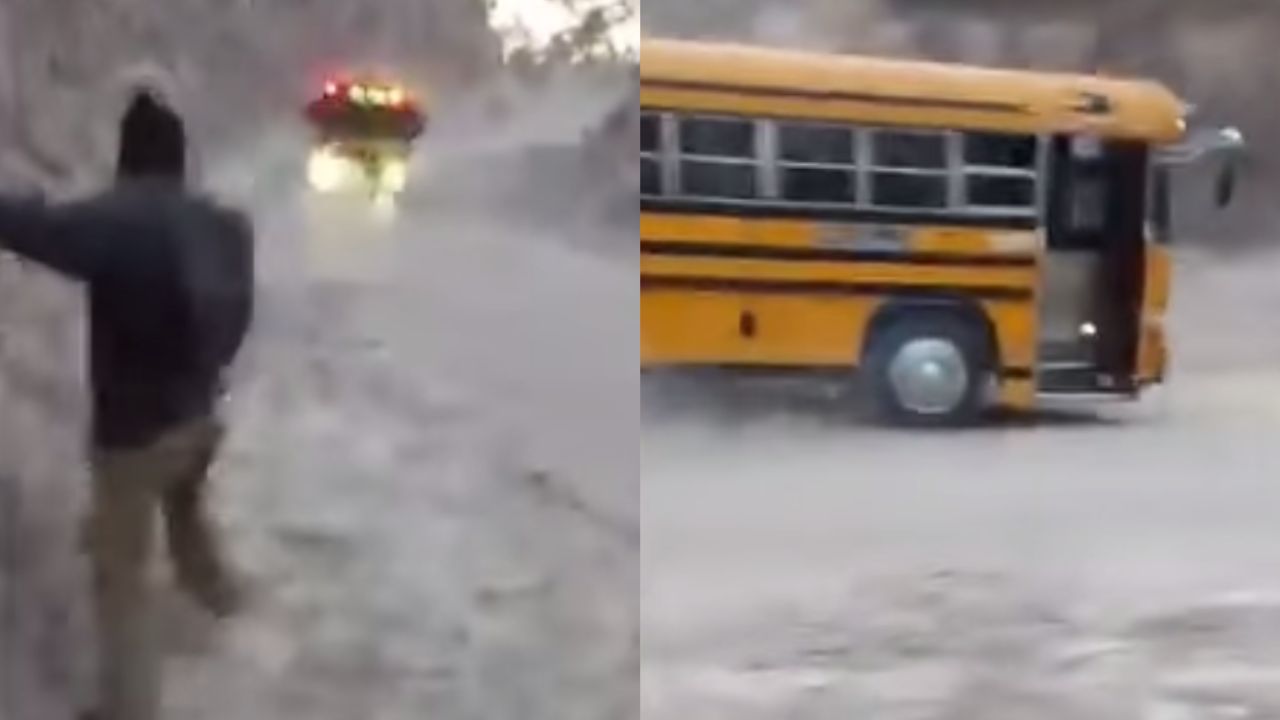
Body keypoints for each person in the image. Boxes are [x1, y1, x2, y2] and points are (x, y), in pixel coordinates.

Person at [0, 88, 254, 720]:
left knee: (120, 574)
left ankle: (128, 708)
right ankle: (232, 618)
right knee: (188, 521)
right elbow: (237, 317)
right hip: (199, 419)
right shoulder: (220, 224)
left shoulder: (122, 220)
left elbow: (39, 229)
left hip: (137, 436)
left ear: (128, 155)